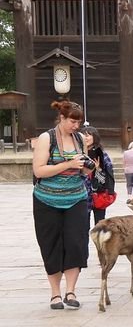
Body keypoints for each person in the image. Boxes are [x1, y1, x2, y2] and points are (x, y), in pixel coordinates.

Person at [32, 99, 90, 310]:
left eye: (79, 122)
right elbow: (39, 170)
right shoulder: (46, 138)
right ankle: (55, 294)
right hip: (47, 199)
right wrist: (68, 164)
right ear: (62, 118)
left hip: (76, 198)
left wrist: (87, 168)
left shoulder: (80, 139)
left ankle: (71, 291)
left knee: (76, 244)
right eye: (73, 122)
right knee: (51, 245)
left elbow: (82, 167)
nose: (76, 126)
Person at [85, 127, 115, 225]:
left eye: (88, 135)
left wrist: (98, 169)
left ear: (95, 137)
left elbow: (109, 175)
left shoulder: (102, 155)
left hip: (99, 194)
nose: (85, 138)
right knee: (83, 227)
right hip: (83, 195)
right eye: (83, 135)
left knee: (100, 225)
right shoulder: (78, 154)